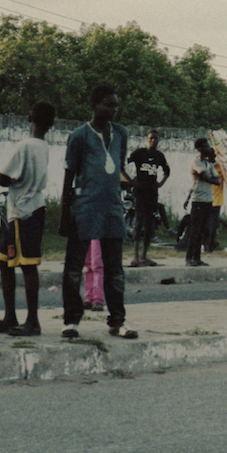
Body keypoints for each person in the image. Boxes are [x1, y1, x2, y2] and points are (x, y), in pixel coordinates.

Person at [59, 83, 134, 340]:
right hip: (84, 208)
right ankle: (71, 320)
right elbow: (69, 175)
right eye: (108, 104)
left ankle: (117, 321)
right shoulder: (79, 136)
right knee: (73, 267)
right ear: (94, 105)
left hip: (112, 209)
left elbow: (119, 166)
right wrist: (64, 212)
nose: (114, 109)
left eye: (115, 105)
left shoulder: (121, 133)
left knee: (114, 269)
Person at [0, 100, 55, 336]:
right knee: (4, 260)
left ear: (30, 118)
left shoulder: (24, 146)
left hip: (23, 211)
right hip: (31, 207)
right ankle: (10, 317)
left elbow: (4, 177)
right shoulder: (43, 146)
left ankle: (32, 321)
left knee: (27, 265)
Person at [128, 130, 170, 267]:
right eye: (151, 138)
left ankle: (144, 255)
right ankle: (135, 257)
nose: (153, 141)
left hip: (152, 193)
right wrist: (131, 181)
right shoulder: (139, 153)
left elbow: (167, 171)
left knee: (150, 223)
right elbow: (123, 164)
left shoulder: (159, 156)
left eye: (156, 138)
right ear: (147, 139)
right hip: (140, 192)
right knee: (139, 221)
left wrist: (160, 183)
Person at [184, 137, 220, 267]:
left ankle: (197, 258)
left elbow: (217, 181)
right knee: (195, 231)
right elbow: (206, 177)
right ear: (199, 148)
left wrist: (207, 178)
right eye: (205, 146)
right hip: (198, 200)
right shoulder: (196, 161)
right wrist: (208, 178)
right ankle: (189, 258)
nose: (208, 148)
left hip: (208, 200)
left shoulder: (209, 164)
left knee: (203, 230)